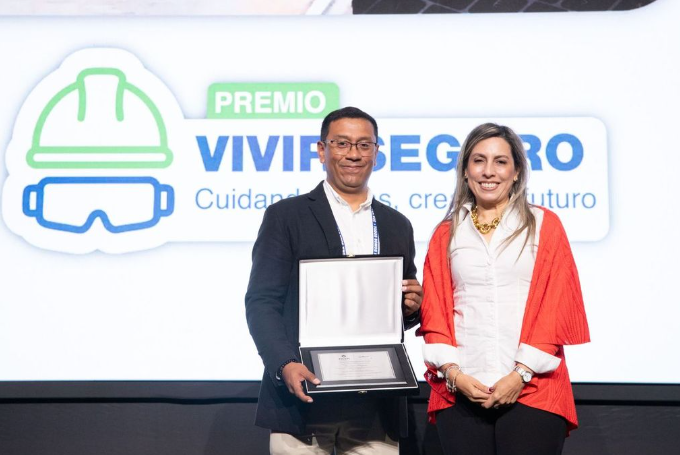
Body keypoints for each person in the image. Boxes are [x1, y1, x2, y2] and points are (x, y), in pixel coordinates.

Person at [245, 106, 423, 454]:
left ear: (376, 152)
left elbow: (398, 311)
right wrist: (284, 364)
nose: (353, 154)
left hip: (375, 407)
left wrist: (411, 307)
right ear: (322, 150)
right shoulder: (286, 216)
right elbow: (261, 301)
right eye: (342, 143)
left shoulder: (396, 224)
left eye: (364, 145)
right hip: (303, 400)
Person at [418, 123, 590, 455]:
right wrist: (454, 373)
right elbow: (434, 311)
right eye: (478, 161)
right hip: (461, 389)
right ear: (465, 170)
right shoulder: (446, 233)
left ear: (516, 171)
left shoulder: (544, 225)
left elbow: (556, 305)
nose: (489, 171)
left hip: (534, 388)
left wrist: (520, 374)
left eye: (500, 162)